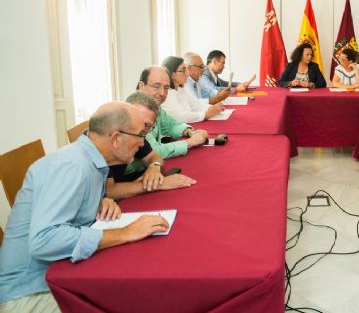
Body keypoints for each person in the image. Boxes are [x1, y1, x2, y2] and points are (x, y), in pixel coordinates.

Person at [0, 103, 169, 311]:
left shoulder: (91, 161)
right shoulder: (72, 166)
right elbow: (43, 240)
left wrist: (99, 201)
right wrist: (127, 232)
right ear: (116, 138)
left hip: (55, 275)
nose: (142, 143)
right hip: (29, 292)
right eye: (139, 135)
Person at [105, 91, 197, 200]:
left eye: (148, 126)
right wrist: (158, 185)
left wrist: (154, 166)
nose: (142, 140)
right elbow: (109, 191)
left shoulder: (136, 134)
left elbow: (154, 156)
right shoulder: (106, 139)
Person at [137, 66, 209, 158]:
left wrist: (190, 132)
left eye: (166, 88)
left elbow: (172, 124)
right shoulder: (135, 113)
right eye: (156, 86)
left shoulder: (156, 108)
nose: (162, 93)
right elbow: (153, 152)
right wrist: (189, 142)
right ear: (141, 86)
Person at [161, 56, 223, 123]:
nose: (187, 74)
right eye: (183, 70)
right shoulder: (167, 94)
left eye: (186, 70)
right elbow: (182, 117)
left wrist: (213, 108)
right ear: (172, 74)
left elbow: (196, 104)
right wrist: (205, 114)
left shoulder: (181, 90)